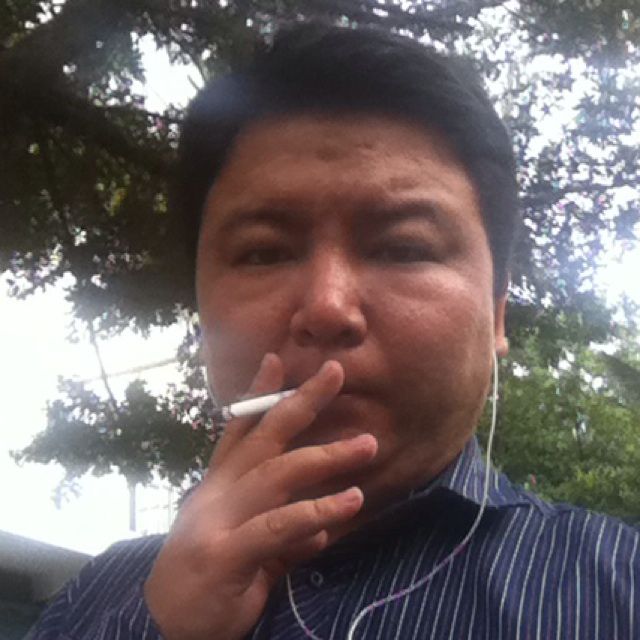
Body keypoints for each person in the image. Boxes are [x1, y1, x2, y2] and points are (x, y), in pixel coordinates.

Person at [29, 23, 639, 640]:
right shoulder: (97, 597)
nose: (326, 307)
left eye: (404, 247)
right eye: (264, 253)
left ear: (497, 311)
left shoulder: (618, 588)